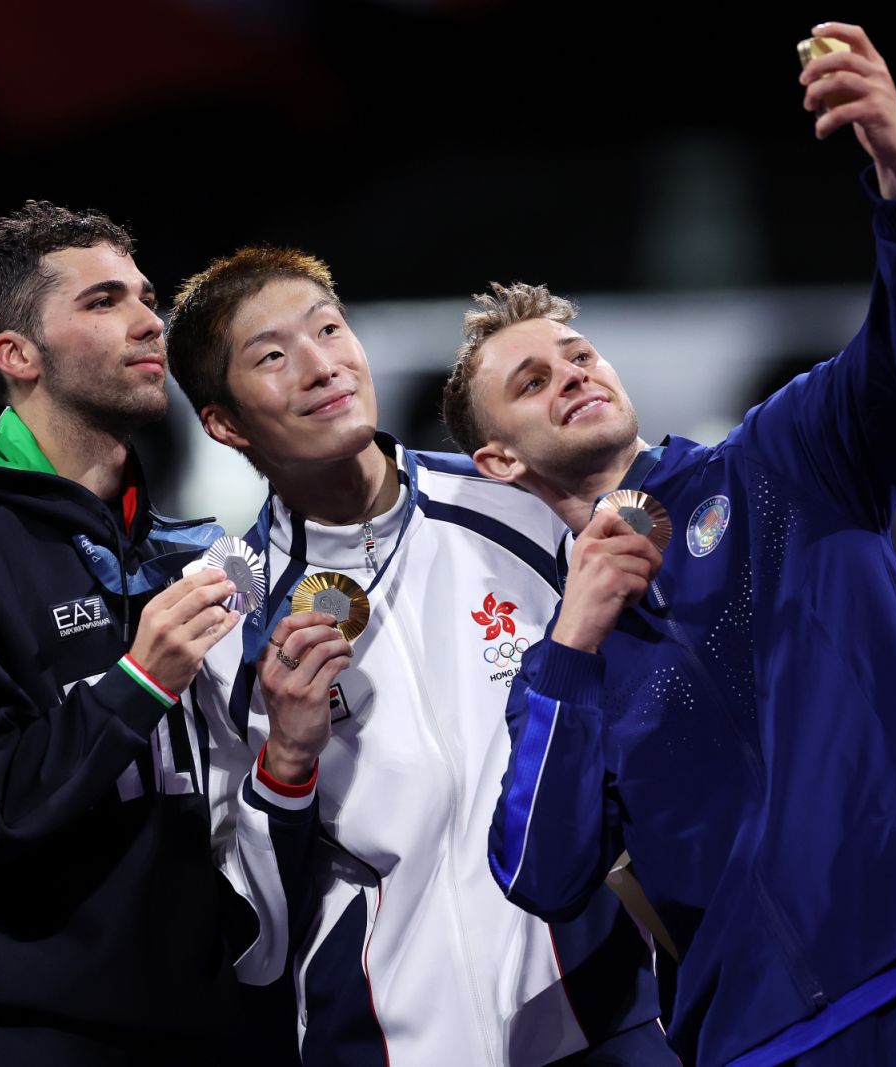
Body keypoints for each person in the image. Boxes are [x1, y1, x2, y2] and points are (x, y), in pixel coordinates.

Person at [444, 24, 896, 1067]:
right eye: (533, 382)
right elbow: (540, 872)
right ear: (498, 460)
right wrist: (573, 640)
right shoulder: (560, 667)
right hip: (755, 1028)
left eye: (577, 353)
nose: (573, 375)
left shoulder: (781, 460)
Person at [164, 249, 671, 1065]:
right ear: (223, 422)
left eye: (329, 329)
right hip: (383, 1045)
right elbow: (250, 936)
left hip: (598, 1017)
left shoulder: (520, 506)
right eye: (272, 355)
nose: (321, 364)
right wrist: (288, 760)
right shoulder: (226, 618)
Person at [0, 201, 253, 1065]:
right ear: (18, 356)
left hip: (200, 1027)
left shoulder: (171, 551)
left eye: (146, 296)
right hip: (35, 1036)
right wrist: (136, 685)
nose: (149, 320)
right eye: (103, 301)